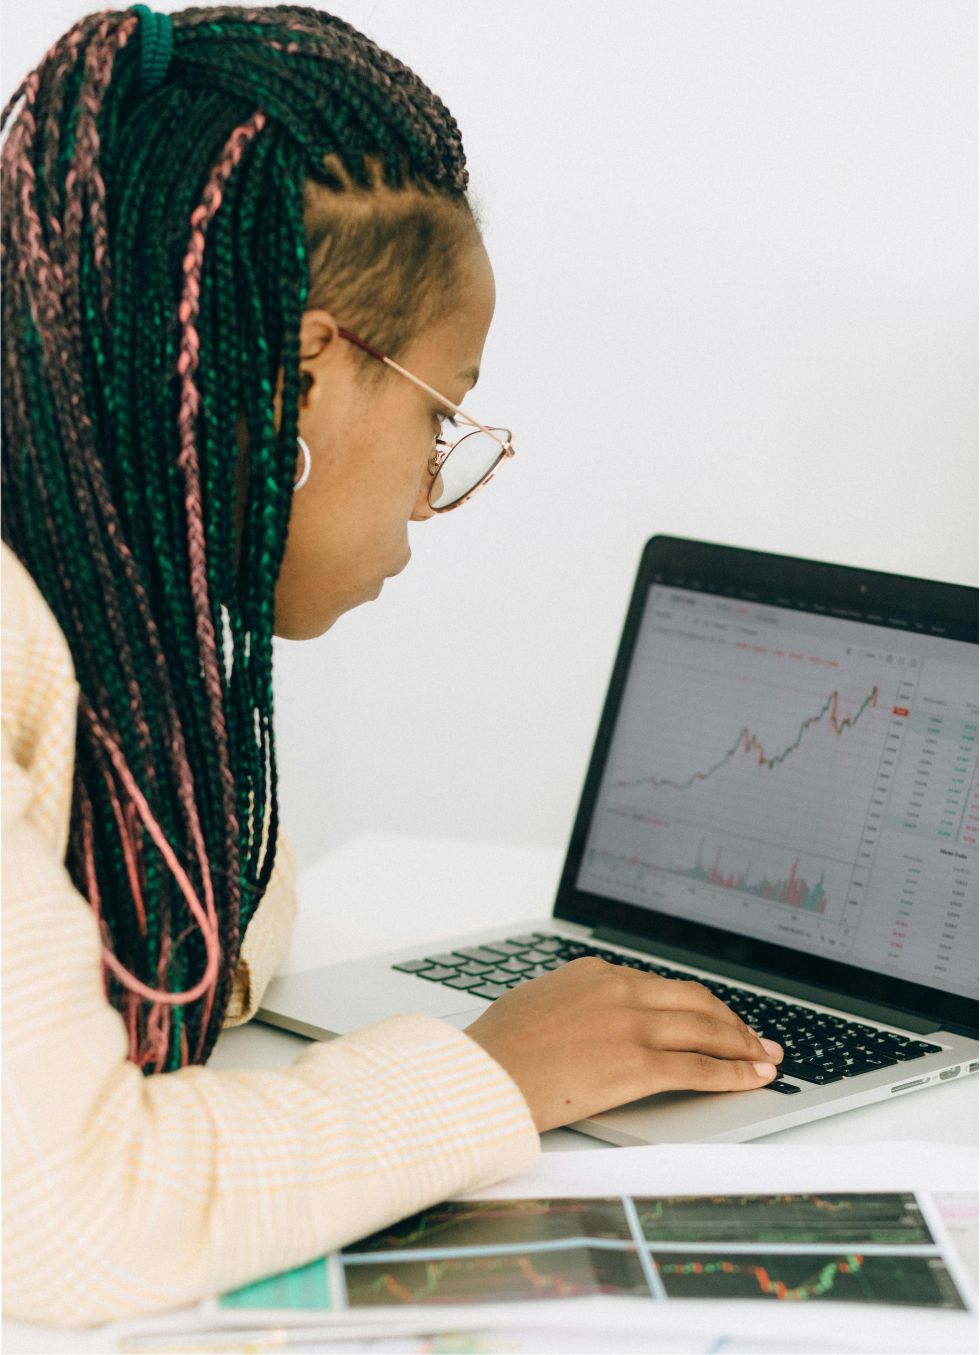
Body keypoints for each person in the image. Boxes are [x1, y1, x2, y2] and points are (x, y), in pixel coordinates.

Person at [0, 4, 782, 1326]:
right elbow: (73, 1223)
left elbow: (230, 917)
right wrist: (498, 1075)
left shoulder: (89, 604)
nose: (431, 492)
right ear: (301, 378)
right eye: (443, 418)